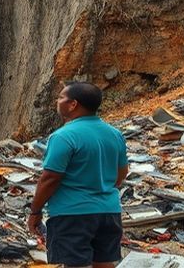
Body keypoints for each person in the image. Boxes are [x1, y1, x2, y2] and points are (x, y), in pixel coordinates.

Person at [27, 82, 128, 268]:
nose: (57, 101)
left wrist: (35, 211)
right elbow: (122, 173)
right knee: (104, 263)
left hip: (72, 215)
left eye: (61, 98)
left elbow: (50, 179)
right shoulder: (115, 134)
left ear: (73, 104)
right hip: (109, 212)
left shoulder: (63, 136)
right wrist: (101, 189)